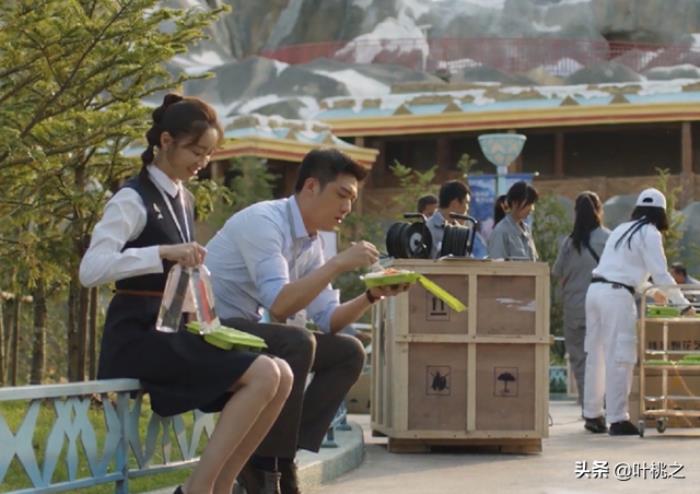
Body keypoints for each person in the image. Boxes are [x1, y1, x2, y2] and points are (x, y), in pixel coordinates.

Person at [79, 94, 293, 494]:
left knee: (281, 373)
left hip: (174, 329)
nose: (203, 162)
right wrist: (161, 252)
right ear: (166, 141)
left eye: (209, 154)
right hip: (137, 336)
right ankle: (199, 489)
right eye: (197, 151)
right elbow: (91, 269)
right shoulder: (132, 198)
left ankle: (220, 487)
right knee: (265, 372)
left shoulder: (183, 198)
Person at [204, 148, 409, 494]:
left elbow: (329, 320)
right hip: (212, 331)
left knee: (349, 351)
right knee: (297, 342)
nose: (348, 207)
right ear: (311, 186)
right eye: (342, 195)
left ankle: (272, 459)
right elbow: (280, 304)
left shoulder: (312, 244)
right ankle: (269, 467)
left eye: (352, 199)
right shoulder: (264, 222)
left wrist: (373, 295)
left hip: (246, 334)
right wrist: (338, 264)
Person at [582, 188, 694, 436]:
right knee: (620, 357)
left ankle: (592, 414)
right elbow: (661, 274)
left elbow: (624, 270)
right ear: (661, 213)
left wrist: (653, 293)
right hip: (616, 296)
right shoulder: (650, 233)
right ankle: (618, 419)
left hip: (595, 292)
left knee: (596, 355)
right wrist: (684, 305)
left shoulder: (622, 229)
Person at [552, 191, 610, 408]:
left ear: (576, 213)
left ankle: (588, 404)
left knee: (579, 357)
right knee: (602, 356)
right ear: (599, 210)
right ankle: (605, 402)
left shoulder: (569, 243)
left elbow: (557, 272)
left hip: (575, 308)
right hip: (603, 305)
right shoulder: (609, 239)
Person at [487, 181, 539, 260]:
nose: (532, 208)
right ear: (515, 203)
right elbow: (496, 263)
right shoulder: (501, 231)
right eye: (528, 204)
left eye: (532, 204)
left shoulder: (527, 229)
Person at [424, 180, 471, 258]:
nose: (468, 208)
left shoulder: (460, 230)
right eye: (467, 203)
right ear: (455, 203)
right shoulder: (428, 228)